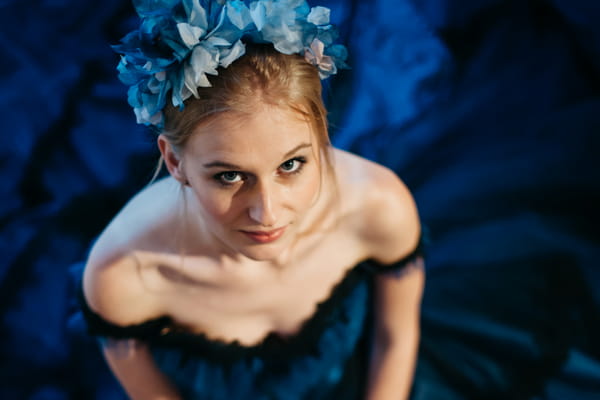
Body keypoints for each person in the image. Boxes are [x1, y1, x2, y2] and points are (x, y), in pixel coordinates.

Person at [78, 0, 425, 399]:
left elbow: (394, 339)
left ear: (322, 137)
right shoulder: (126, 276)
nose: (268, 213)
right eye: (229, 176)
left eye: (292, 164)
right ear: (175, 161)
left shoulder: (378, 207)